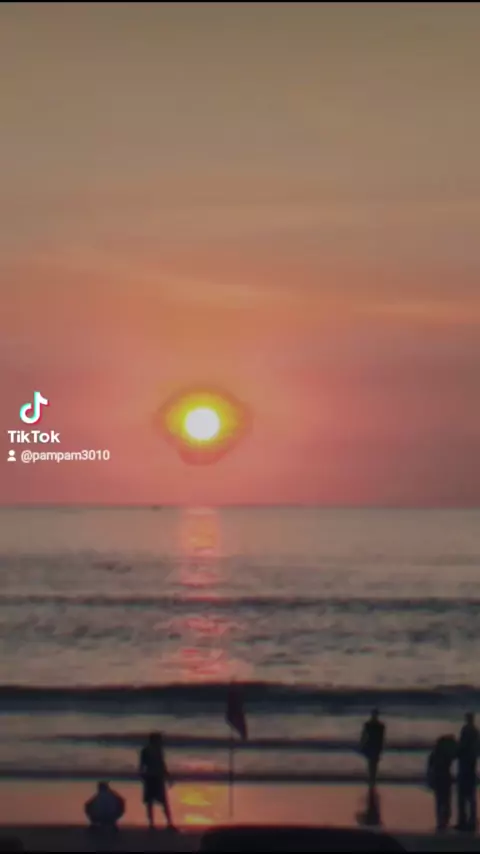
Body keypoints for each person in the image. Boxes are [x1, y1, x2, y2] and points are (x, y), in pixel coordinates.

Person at [139, 731, 175, 829]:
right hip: (155, 777)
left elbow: (142, 766)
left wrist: (142, 775)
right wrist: (167, 776)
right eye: (159, 740)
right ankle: (168, 823)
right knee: (162, 802)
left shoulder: (148, 750)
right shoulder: (155, 750)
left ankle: (152, 823)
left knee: (151, 802)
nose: (161, 742)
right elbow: (161, 764)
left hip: (152, 777)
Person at [426, 735, 456, 832]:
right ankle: (444, 821)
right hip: (445, 778)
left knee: (440, 801)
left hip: (439, 779)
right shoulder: (447, 754)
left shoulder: (435, 754)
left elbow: (430, 767)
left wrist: (429, 779)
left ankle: (441, 822)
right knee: (445, 801)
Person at [456, 712, 479, 832]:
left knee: (463, 795)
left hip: (465, 765)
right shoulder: (475, 732)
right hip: (471, 765)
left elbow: (462, 747)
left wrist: (457, 752)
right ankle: (471, 820)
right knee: (471, 796)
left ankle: (463, 820)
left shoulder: (466, 730)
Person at [360, 709, 385, 787]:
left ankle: (372, 779)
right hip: (373, 745)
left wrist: (362, 745)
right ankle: (372, 779)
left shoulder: (370, 725)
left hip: (372, 745)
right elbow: (381, 738)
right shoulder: (379, 726)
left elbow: (364, 736)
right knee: (373, 763)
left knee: (372, 763)